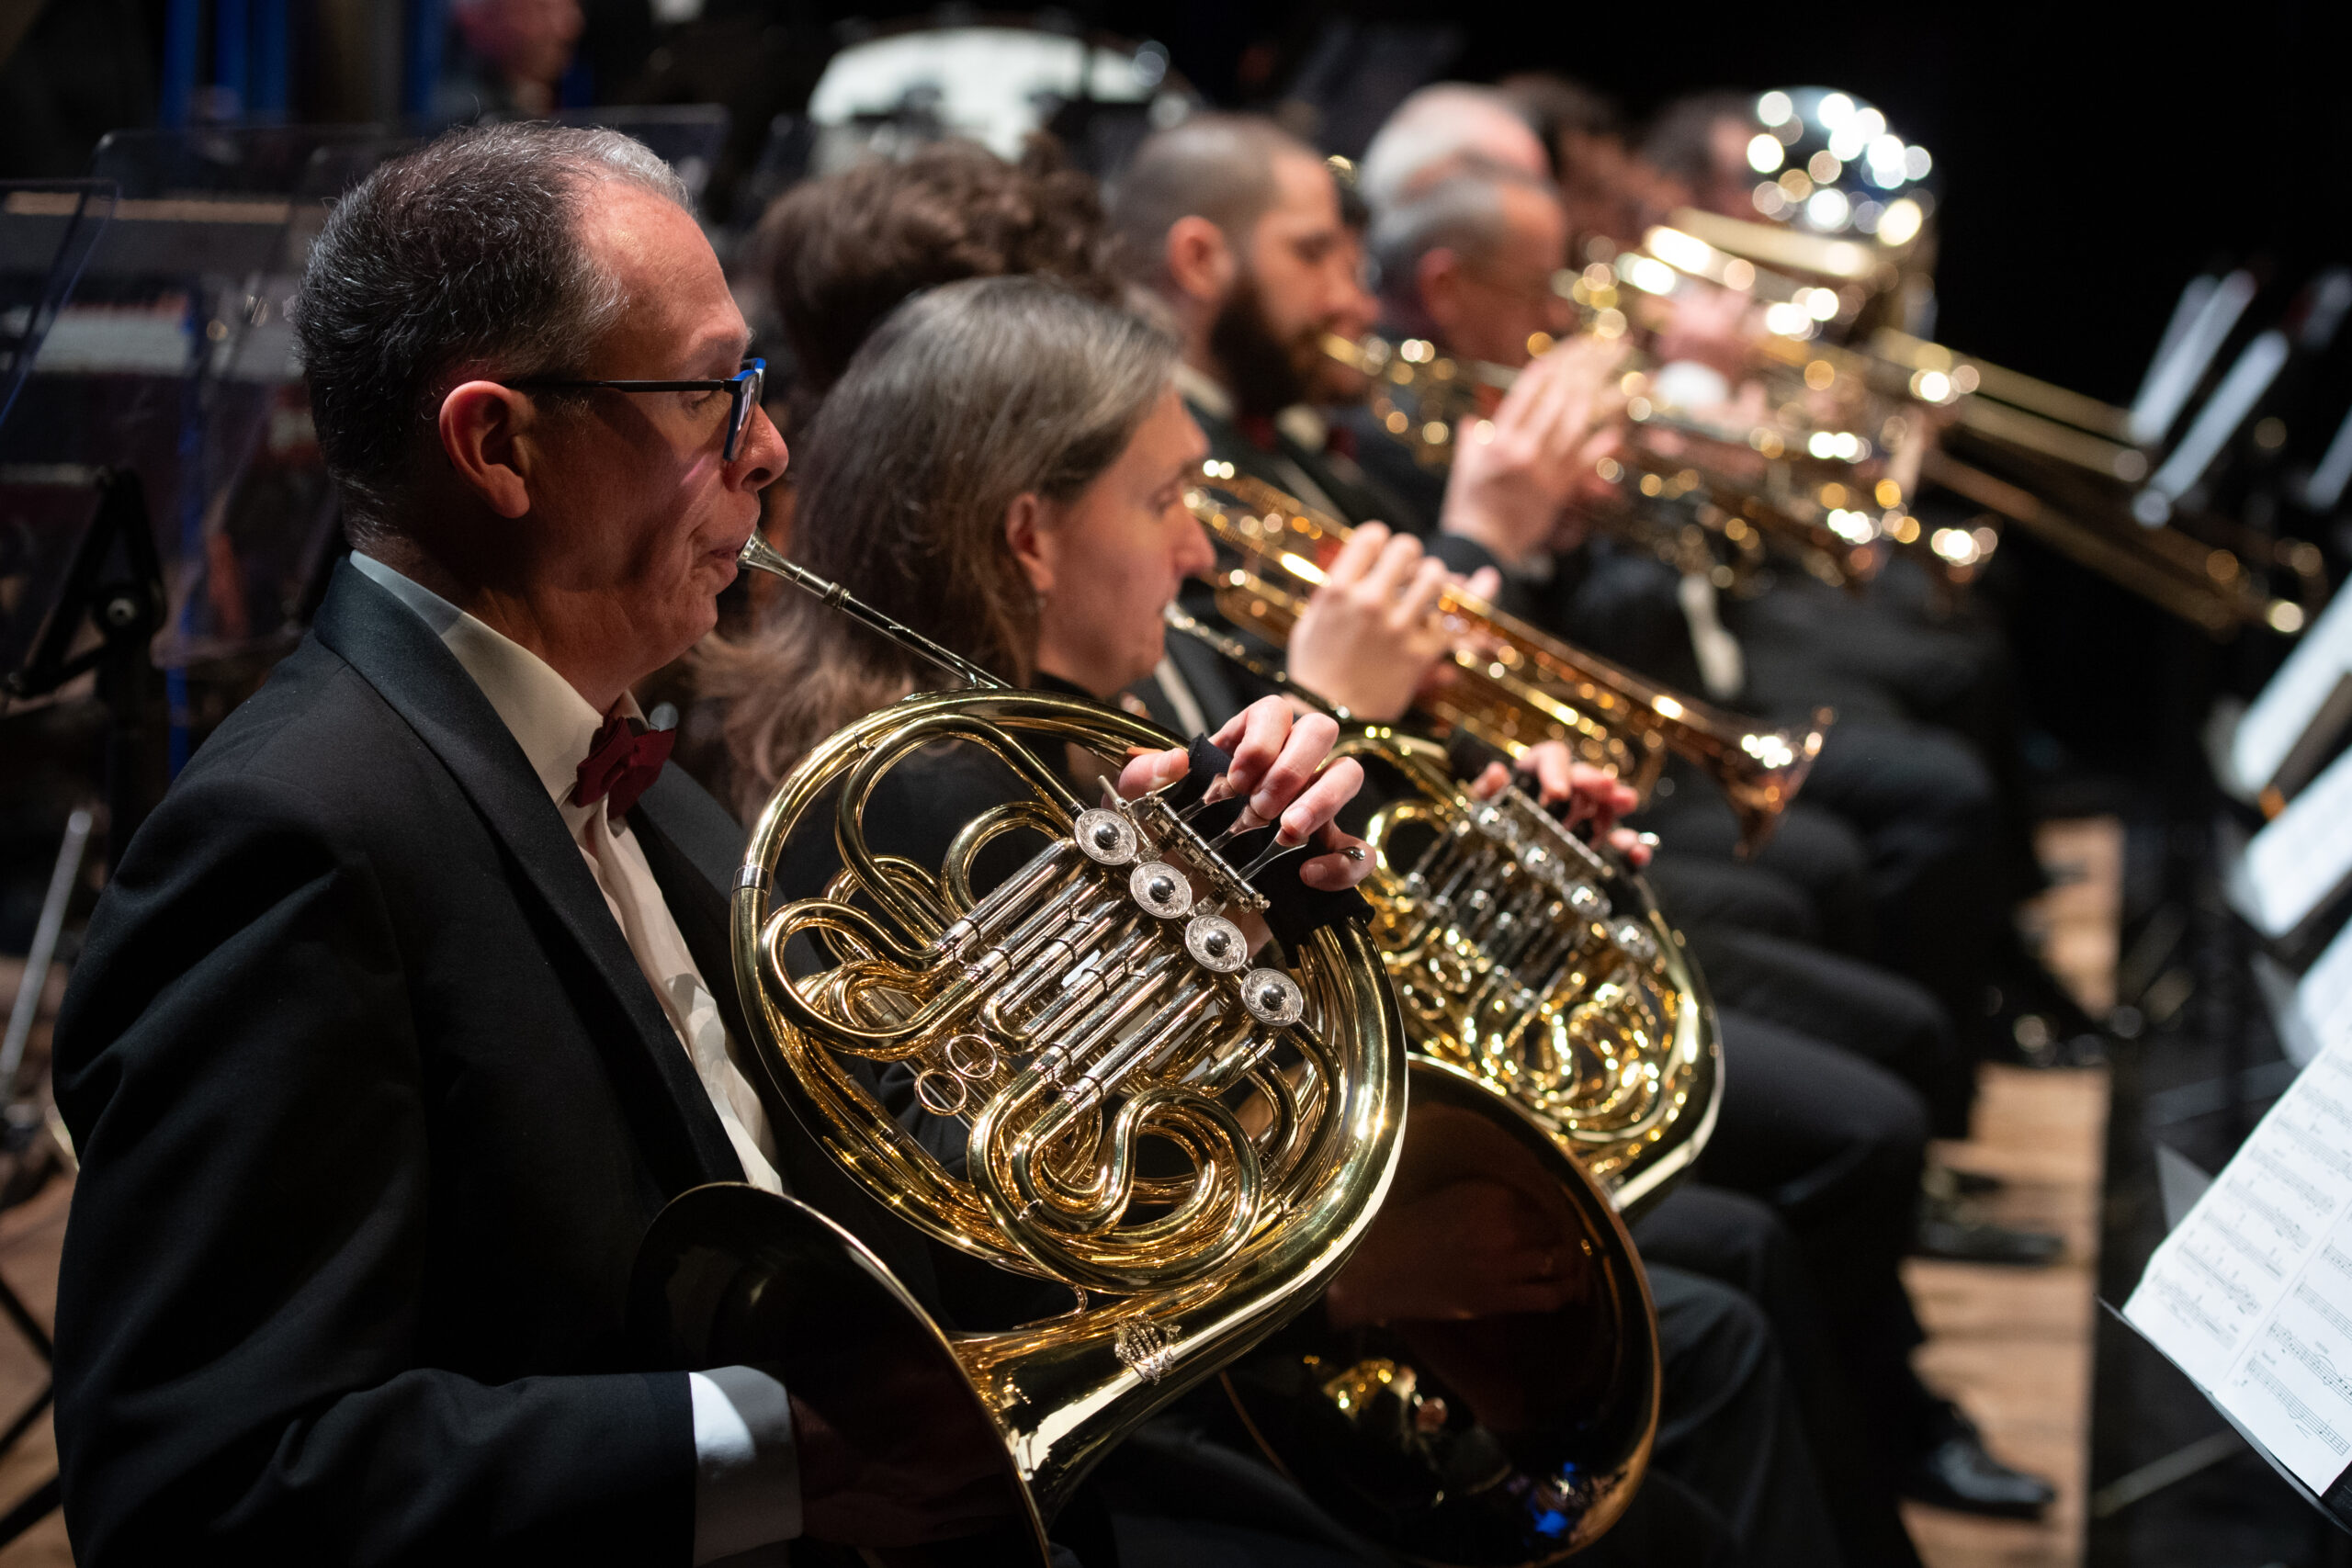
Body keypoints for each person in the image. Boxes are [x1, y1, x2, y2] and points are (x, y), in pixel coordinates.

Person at [47, 123, 1374, 1564]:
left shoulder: (652, 787)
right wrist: (780, 1452)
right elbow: (206, 1484)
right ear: (498, 446)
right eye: (706, 395)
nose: (771, 446)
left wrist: (1201, 912)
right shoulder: (290, 838)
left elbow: (913, 1176)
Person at [706, 269, 1850, 1567]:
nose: (1200, 552)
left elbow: (1262, 1039)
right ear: (1029, 538)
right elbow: (1016, 1207)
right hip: (1179, 1404)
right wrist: (1354, 1279)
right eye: (1166, 501)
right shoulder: (926, 788)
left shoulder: (1065, 715)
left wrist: (1504, 870)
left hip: (1269, 1323)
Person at [1106, 110, 2058, 1528]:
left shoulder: (1285, 444)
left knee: (1849, 967)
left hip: (1450, 924)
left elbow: (1416, 732)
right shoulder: (1219, 520)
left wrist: (1513, 770)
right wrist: (1482, 550)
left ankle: (1887, 1407)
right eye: (1321, 255)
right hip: (1338, 1114)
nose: (1361, 292)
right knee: (1816, 1146)